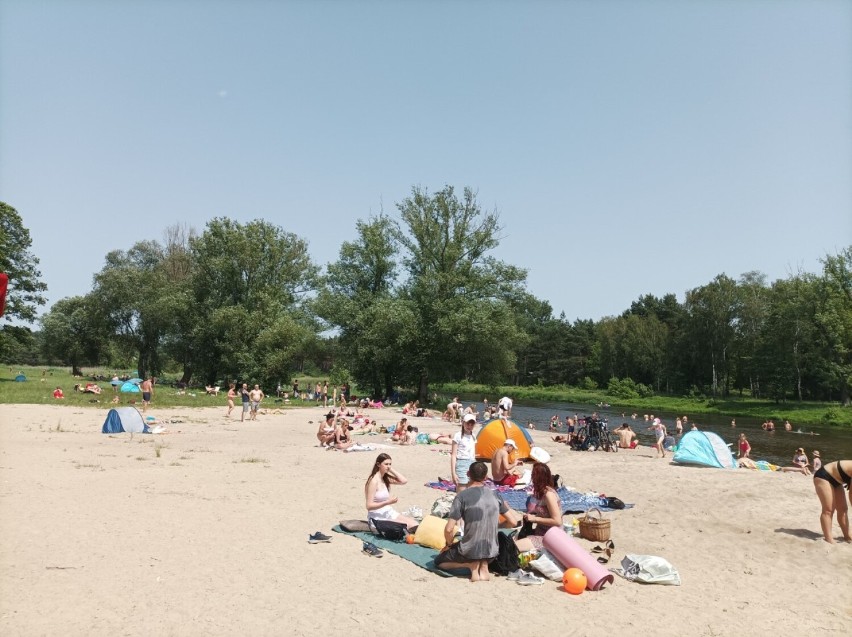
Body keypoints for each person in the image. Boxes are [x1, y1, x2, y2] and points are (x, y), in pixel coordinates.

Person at [434, 461, 520, 582]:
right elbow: (513, 522)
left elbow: (449, 529)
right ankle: (483, 564)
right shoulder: (495, 495)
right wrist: (496, 526)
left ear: (468, 473)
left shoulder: (462, 497)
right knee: (482, 552)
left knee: (438, 562)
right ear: (485, 477)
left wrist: (449, 544)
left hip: (468, 551)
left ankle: (470, 565)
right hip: (492, 552)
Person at [514, 462, 563, 553]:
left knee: (513, 547)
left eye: (533, 475)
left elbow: (557, 521)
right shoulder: (540, 493)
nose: (532, 478)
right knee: (512, 540)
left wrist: (535, 519)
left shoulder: (549, 495)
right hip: (540, 531)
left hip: (550, 537)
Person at [364, 453, 418, 529]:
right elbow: (369, 506)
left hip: (388, 511)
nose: (388, 466)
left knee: (414, 524)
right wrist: (387, 502)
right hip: (377, 516)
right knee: (406, 526)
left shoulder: (385, 478)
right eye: (386, 464)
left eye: (390, 464)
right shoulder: (373, 481)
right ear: (378, 464)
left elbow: (404, 481)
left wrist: (391, 469)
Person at [812, 460, 851, 543]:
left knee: (843, 509)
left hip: (837, 480)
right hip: (824, 476)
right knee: (828, 510)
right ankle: (828, 538)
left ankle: (847, 536)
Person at [451, 414, 477, 493]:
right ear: (463, 423)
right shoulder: (458, 436)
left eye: (472, 424)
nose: (469, 426)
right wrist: (453, 473)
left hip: (471, 462)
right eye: (467, 423)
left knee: (470, 488)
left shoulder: (473, 436)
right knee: (461, 490)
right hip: (461, 463)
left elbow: (473, 453)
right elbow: (453, 455)